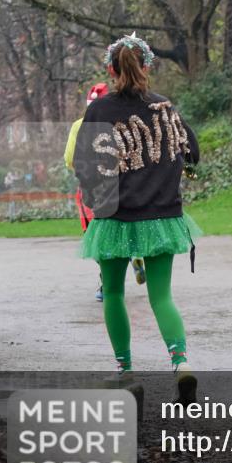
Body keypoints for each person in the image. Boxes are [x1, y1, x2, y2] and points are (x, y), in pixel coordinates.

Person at [73, 33, 200, 404]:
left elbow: (85, 166)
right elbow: (191, 151)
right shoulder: (164, 107)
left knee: (113, 292)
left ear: (111, 69)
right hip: (162, 214)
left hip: (113, 216)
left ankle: (126, 373)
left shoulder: (99, 111)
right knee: (161, 296)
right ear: (147, 66)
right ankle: (181, 364)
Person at [65, 83, 147, 302]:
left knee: (96, 237)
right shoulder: (123, 121)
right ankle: (133, 254)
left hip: (91, 190)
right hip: (123, 186)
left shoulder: (79, 125)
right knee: (122, 227)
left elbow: (70, 159)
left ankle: (106, 284)